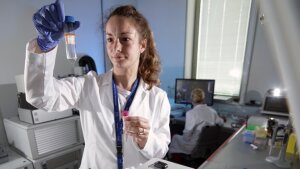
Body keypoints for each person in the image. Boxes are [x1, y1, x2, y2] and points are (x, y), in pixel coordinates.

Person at [24, 0, 171, 168]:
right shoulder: (88, 86)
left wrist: (147, 140)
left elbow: (160, 151)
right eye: (110, 39)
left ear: (142, 45)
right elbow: (41, 97)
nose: (116, 47)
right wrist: (44, 46)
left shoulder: (158, 98)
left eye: (125, 39)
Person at [168, 88, 224, 156]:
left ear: (191, 98)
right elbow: (221, 123)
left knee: (175, 137)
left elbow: (186, 137)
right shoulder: (212, 111)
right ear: (203, 98)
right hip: (207, 146)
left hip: (192, 147)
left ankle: (171, 159)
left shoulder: (191, 113)